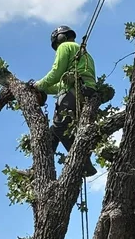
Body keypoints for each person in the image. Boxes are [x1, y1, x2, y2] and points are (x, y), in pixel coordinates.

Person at [33, 25, 97, 177]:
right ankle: (39, 168)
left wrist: (38, 84)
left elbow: (56, 73)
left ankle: (84, 163)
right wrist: (43, 88)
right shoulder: (84, 54)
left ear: (60, 38)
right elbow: (60, 84)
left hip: (76, 91)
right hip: (85, 92)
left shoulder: (66, 46)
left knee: (60, 126)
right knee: (53, 133)